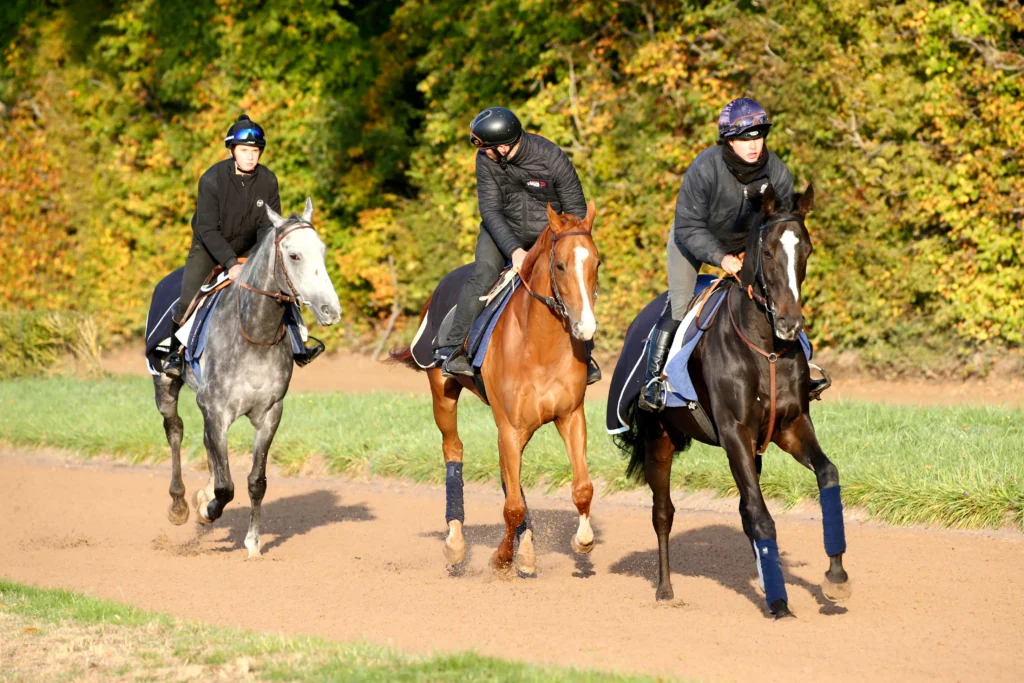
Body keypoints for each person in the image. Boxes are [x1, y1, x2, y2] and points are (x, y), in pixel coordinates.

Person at [639, 97, 826, 411]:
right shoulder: (705, 167)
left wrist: (752, 256)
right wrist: (721, 257)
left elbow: (778, 226)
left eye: (759, 136)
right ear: (728, 140)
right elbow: (688, 226)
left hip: (749, 243)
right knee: (681, 306)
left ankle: (803, 371)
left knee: (777, 296)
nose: (754, 145)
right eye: (744, 138)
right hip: (694, 238)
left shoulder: (777, 171)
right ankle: (655, 382)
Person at [435, 106, 601, 384]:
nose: (484, 152)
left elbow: (575, 211)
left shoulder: (552, 158)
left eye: (488, 148)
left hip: (550, 236)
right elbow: (490, 211)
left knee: (576, 277)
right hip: (501, 231)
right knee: (484, 273)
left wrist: (564, 245)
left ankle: (586, 352)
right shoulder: (486, 159)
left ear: (504, 145)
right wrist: (515, 251)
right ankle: (452, 350)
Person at [163, 114, 282, 377]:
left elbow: (268, 226)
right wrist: (230, 264)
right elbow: (206, 228)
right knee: (188, 298)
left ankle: (299, 345)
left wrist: (255, 259)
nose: (250, 156)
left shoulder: (268, 181)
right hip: (208, 247)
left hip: (251, 251)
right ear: (232, 151)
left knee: (283, 288)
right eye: (244, 150)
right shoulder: (212, 179)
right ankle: (175, 355)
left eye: (255, 151)